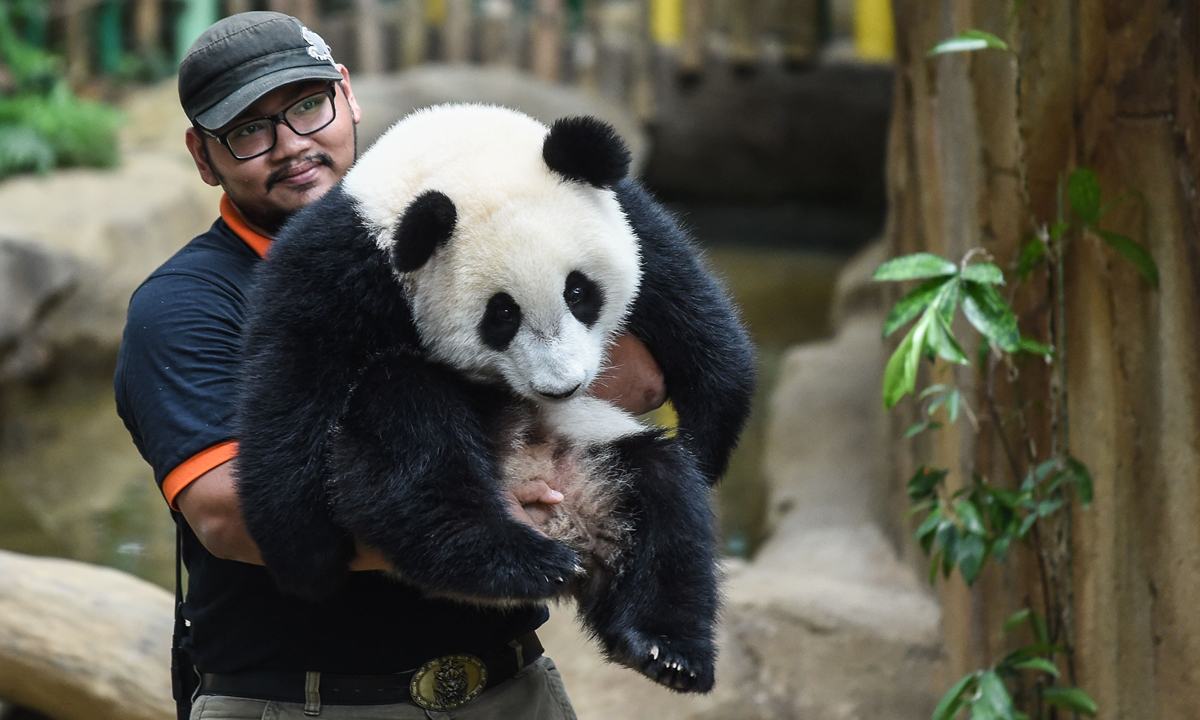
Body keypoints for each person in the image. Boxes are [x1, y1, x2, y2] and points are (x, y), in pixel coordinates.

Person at [114, 12, 665, 720]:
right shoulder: (185, 305)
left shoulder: (465, 220)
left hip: (510, 686)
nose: (291, 145)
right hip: (305, 701)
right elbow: (229, 512)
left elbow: (643, 375)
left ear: (347, 95)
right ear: (202, 155)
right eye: (249, 131)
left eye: (309, 106)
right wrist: (470, 526)